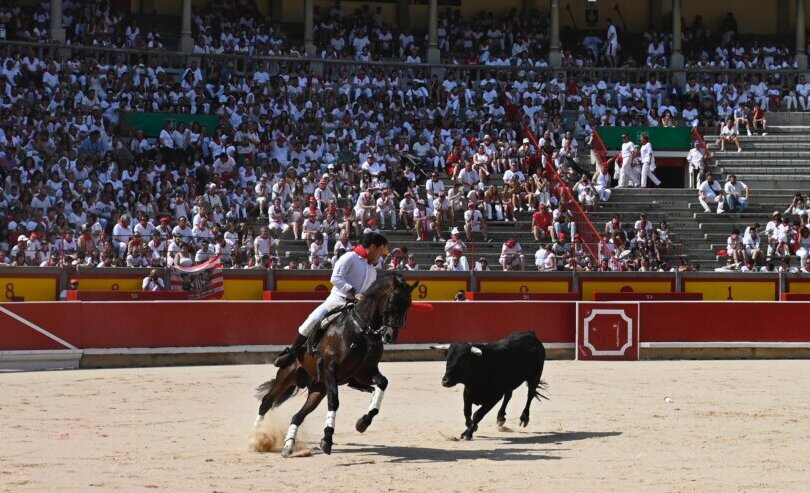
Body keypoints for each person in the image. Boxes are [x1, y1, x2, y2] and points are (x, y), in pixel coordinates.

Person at [273, 232, 389, 368]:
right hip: (338, 300)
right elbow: (335, 278)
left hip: (357, 306)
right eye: (381, 250)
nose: (381, 254)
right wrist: (354, 292)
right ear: (373, 247)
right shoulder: (350, 257)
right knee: (313, 319)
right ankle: (292, 352)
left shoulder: (373, 270)